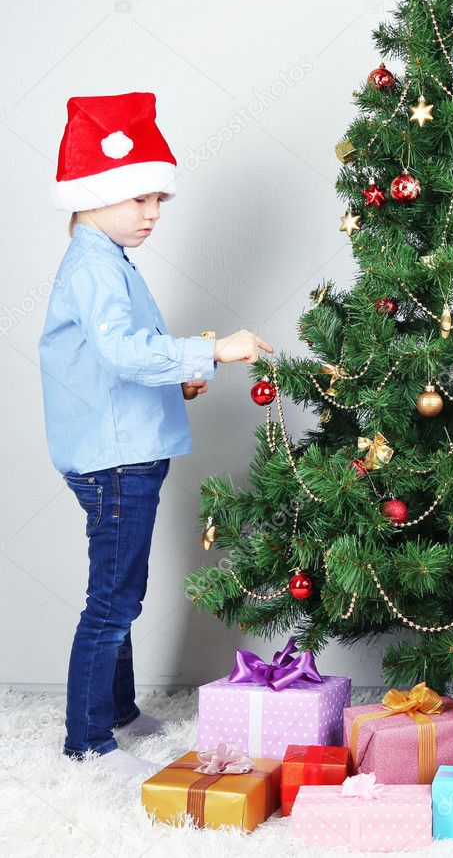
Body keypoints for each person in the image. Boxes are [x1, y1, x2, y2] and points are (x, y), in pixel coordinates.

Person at [39, 92, 273, 777]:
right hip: (115, 462)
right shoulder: (92, 267)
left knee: (122, 590)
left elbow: (116, 358)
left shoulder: (106, 260)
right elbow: (122, 353)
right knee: (112, 598)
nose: (152, 213)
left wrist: (175, 379)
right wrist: (211, 352)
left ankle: (115, 710)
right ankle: (88, 739)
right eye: (138, 198)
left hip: (125, 451)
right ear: (92, 195)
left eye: (159, 200)